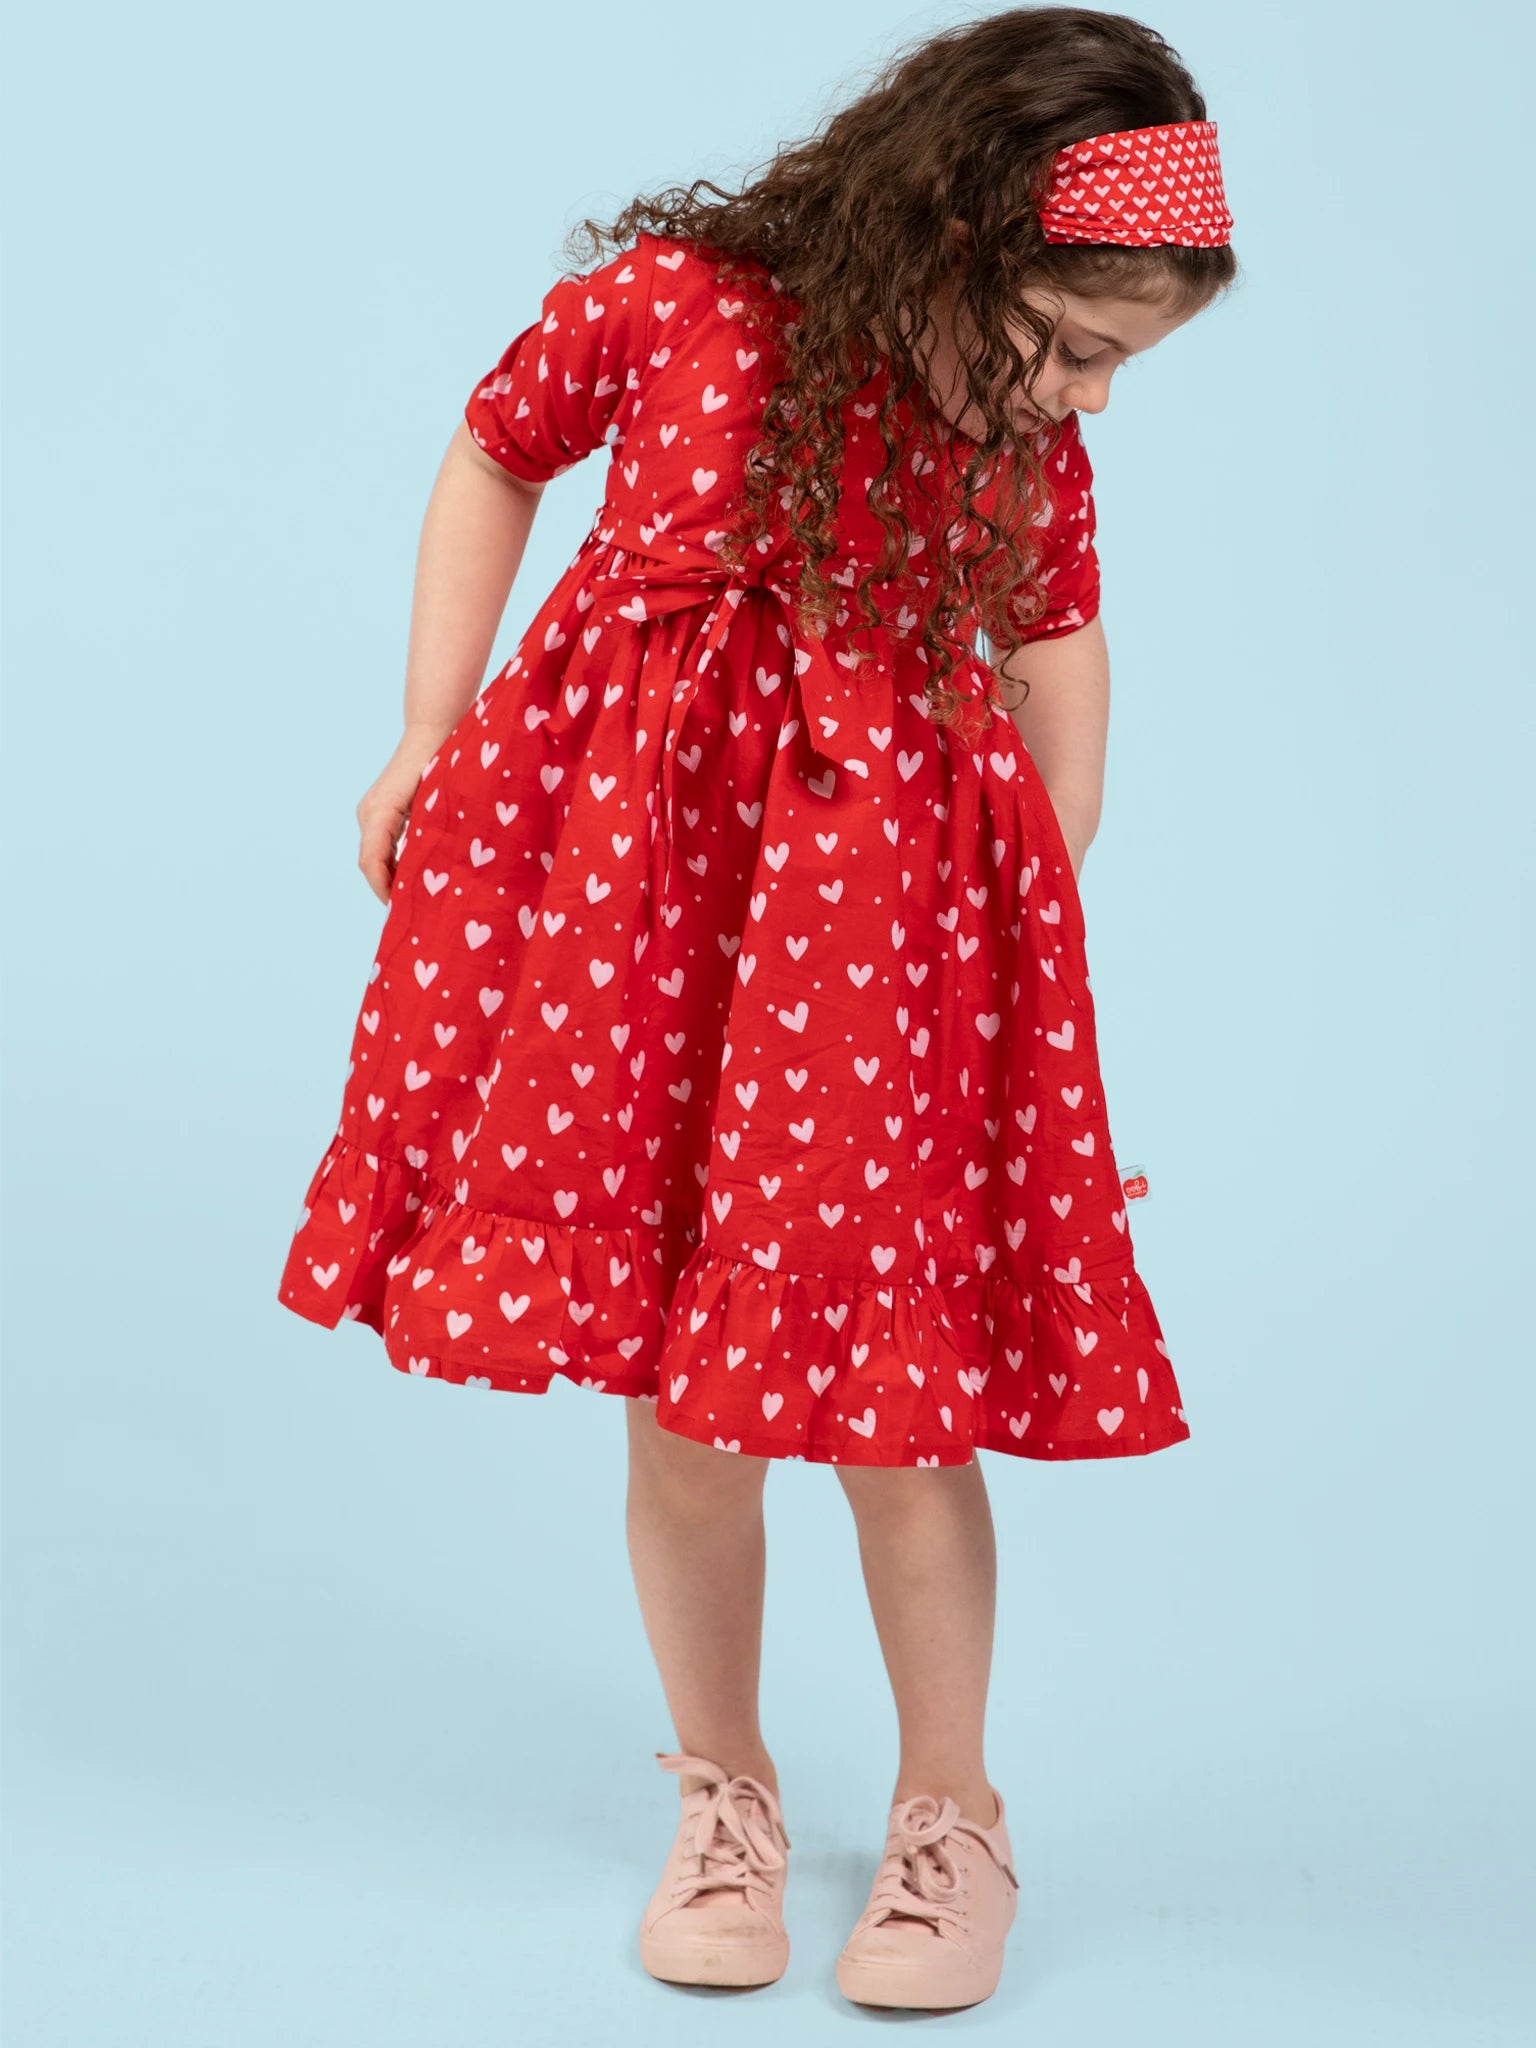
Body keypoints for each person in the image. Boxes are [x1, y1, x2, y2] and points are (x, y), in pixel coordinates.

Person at [276, 3, 1236, 2012]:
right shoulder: (679, 307)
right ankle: (723, 1793)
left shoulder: (1017, 442)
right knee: (679, 1398)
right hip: (644, 936)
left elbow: (1060, 641)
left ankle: (953, 1812)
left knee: (897, 1410)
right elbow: (494, 444)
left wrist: (1031, 902)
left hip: (872, 966)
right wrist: (424, 730)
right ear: (956, 227)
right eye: (1071, 340)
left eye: (1116, 364)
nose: (1086, 394)